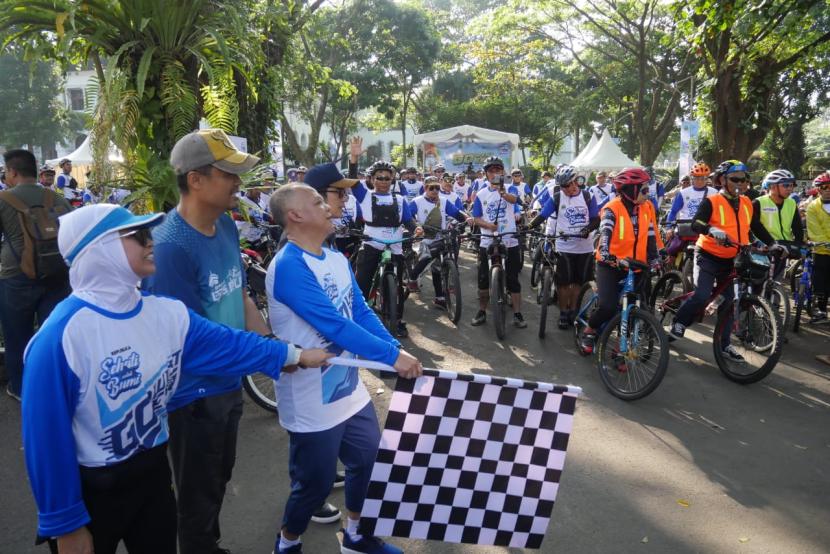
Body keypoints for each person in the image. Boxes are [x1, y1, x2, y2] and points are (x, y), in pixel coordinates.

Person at [22, 204, 331, 554]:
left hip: (153, 474)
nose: (150, 241)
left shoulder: (166, 313)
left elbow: (227, 343)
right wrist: (65, 524)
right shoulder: (60, 338)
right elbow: (44, 439)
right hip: (92, 489)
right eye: (137, 236)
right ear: (99, 251)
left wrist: (294, 355)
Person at [265, 183, 422, 554]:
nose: (331, 206)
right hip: (310, 401)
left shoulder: (333, 256)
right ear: (295, 215)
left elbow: (360, 311)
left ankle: (357, 536)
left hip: (349, 390)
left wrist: (394, 348)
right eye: (318, 202)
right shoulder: (289, 266)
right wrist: (390, 358)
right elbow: (334, 325)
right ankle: (288, 542)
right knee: (315, 486)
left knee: (368, 461)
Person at [141, 129, 270, 554]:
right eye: (228, 174)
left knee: (218, 478)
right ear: (195, 180)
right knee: (196, 494)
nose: (239, 183)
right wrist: (276, 354)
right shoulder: (170, 247)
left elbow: (239, 293)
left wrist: (271, 343)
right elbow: (189, 339)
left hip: (227, 384)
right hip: (193, 394)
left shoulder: (226, 228)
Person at [668, 160, 780, 360]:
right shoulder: (712, 201)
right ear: (722, 180)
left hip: (733, 258)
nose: (741, 183)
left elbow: (755, 225)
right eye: (735, 179)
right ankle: (679, 322)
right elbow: (697, 224)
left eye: (744, 179)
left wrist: (772, 243)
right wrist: (711, 229)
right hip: (708, 255)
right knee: (702, 294)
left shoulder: (746, 202)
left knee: (730, 301)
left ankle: (724, 345)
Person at [0, 149, 73, 401]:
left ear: (13, 172)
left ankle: (21, 389)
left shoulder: (4, 199)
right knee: (53, 335)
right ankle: (55, 386)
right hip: (56, 275)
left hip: (16, 277)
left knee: (17, 336)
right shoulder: (57, 199)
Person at [579, 168, 661, 354]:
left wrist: (655, 258)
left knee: (635, 307)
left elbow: (650, 237)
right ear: (631, 190)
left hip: (636, 266)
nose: (648, 194)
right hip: (611, 264)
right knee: (608, 306)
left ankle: (620, 347)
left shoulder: (646, 208)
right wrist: (608, 255)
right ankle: (589, 330)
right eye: (644, 190)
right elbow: (605, 234)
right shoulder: (612, 209)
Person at [352, 161, 420, 338]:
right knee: (362, 283)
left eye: (387, 178)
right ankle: (358, 320)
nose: (383, 181)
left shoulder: (400, 199)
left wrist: (416, 228)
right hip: (372, 244)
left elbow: (408, 220)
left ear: (393, 179)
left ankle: (397, 321)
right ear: (372, 179)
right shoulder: (365, 196)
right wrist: (354, 158)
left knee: (397, 286)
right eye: (379, 177)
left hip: (395, 245)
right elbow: (352, 181)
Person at [529, 169, 600, 329]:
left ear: (576, 181)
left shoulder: (588, 196)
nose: (567, 188)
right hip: (564, 247)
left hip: (584, 248)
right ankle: (563, 312)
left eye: (569, 184)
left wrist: (586, 230)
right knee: (563, 283)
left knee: (577, 283)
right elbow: (543, 214)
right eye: (563, 186)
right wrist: (529, 225)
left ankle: (573, 311)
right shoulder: (558, 197)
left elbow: (596, 218)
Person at [470, 156, 527, 328]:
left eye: (498, 170)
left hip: (509, 239)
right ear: (486, 174)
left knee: (513, 279)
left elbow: (515, 201)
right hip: (488, 240)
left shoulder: (511, 189)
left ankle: (517, 313)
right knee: (483, 280)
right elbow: (476, 218)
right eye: (491, 171)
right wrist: (488, 225)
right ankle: (482, 311)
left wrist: (502, 191)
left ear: (503, 172)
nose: (495, 173)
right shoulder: (480, 194)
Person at [409, 176, 469, 307]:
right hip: (424, 238)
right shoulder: (417, 201)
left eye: (437, 188)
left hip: (442, 237)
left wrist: (466, 218)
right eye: (432, 188)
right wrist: (416, 227)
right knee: (427, 257)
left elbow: (456, 213)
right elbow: (408, 216)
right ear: (425, 188)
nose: (435, 191)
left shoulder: (444, 201)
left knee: (437, 267)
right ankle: (412, 277)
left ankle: (440, 297)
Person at [754, 169, 804, 280]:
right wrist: (768, 243)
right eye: (786, 185)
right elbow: (754, 226)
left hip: (783, 250)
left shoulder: (791, 203)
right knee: (758, 283)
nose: (790, 189)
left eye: (792, 185)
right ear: (772, 186)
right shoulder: (758, 202)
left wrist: (799, 244)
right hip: (763, 249)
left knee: (775, 283)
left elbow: (797, 227)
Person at [665, 162, 716, 255]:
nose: (699, 181)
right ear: (692, 178)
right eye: (696, 178)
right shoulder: (683, 193)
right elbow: (673, 211)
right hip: (685, 228)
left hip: (705, 228)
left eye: (703, 178)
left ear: (707, 178)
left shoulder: (714, 193)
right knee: (671, 250)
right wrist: (669, 228)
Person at [805, 172, 830, 323]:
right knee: (821, 282)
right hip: (822, 250)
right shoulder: (812, 207)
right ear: (818, 189)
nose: (828, 189)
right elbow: (814, 230)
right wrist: (824, 242)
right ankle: (821, 311)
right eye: (824, 187)